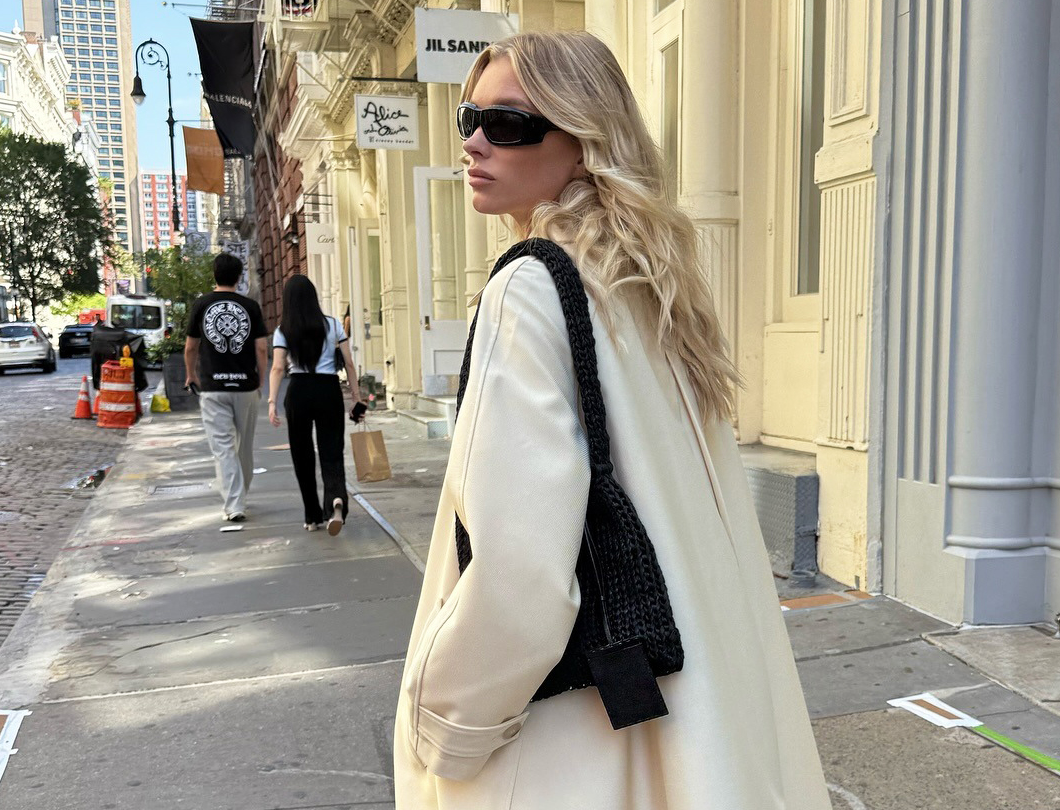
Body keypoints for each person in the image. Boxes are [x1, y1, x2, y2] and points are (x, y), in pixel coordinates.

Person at [393, 31, 831, 810]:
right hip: (699, 704)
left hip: (573, 742)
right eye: (469, 118)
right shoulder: (651, 288)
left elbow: (519, 576)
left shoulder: (530, 289)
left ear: (584, 141)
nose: (474, 143)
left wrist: (444, 720)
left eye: (508, 124)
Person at [267, 275, 361, 534]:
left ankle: (312, 515)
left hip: (298, 391)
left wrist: (272, 402)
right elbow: (349, 363)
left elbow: (277, 368)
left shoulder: (283, 330)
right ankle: (336, 500)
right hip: (328, 390)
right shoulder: (333, 325)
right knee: (332, 449)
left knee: (302, 454)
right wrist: (356, 397)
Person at [184, 253, 268, 522]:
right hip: (246, 387)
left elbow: (191, 347)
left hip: (213, 387)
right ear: (239, 277)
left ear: (214, 274)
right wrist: (261, 379)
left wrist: (190, 375)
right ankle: (241, 495)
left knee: (223, 448)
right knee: (244, 446)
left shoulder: (202, 304)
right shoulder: (250, 306)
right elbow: (262, 348)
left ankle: (234, 504)